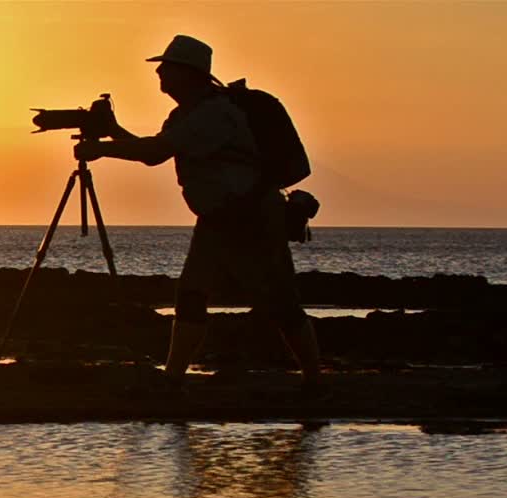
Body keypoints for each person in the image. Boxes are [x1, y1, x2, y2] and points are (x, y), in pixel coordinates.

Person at [75, 34, 324, 395]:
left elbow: (156, 152)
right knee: (191, 294)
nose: (159, 72)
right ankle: (173, 378)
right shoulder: (188, 114)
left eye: (167, 67)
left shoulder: (214, 114)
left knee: (280, 300)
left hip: (250, 215)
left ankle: (314, 381)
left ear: (189, 73)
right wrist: (111, 134)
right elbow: (156, 149)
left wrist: (100, 148)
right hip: (219, 218)